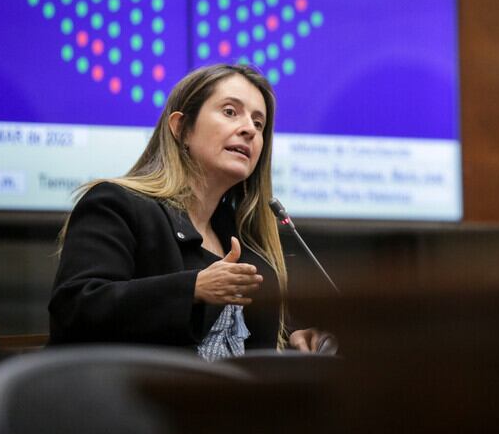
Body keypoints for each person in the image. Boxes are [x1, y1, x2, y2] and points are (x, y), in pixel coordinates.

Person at [49, 64, 327, 359]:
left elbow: (245, 337)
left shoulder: (245, 243)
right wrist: (192, 289)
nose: (249, 130)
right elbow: (75, 308)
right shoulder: (116, 205)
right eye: (230, 112)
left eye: (259, 124)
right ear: (181, 128)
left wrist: (294, 337)